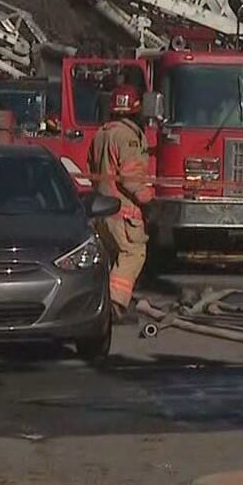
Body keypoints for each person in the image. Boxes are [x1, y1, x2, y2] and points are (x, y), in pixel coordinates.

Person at [88, 84, 154, 317]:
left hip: (101, 210)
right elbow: (130, 177)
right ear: (136, 109)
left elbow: (92, 168)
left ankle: (101, 303)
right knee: (132, 254)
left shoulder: (101, 133)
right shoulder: (128, 136)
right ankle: (115, 305)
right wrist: (149, 201)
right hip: (124, 211)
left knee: (110, 258)